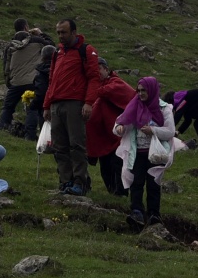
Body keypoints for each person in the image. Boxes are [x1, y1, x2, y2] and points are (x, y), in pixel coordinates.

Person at [45, 18, 100, 195]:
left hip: (75, 104)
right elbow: (51, 80)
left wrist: (88, 103)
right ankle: (65, 181)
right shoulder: (57, 53)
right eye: (58, 32)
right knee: (59, 146)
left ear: (74, 32)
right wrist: (47, 105)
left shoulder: (86, 50)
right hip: (56, 104)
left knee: (76, 145)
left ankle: (79, 182)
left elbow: (94, 78)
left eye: (64, 32)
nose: (60, 36)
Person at [113, 76, 176, 228]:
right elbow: (120, 122)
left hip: (156, 154)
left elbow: (170, 131)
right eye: (139, 90)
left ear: (152, 91)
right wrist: (119, 128)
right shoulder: (134, 106)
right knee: (137, 182)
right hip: (138, 152)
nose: (140, 94)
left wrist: (152, 130)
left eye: (144, 91)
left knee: (153, 184)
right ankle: (137, 212)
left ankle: (154, 215)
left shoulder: (164, 109)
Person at [87, 59, 135, 195]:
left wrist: (95, 90)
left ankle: (121, 192)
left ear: (106, 70)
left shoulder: (116, 82)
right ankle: (111, 191)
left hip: (117, 133)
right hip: (102, 135)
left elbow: (120, 92)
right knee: (105, 165)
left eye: (99, 70)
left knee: (117, 163)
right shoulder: (94, 86)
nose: (96, 74)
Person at [0, 19, 53, 134]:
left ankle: (0, 130)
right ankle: (31, 135)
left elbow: (6, 67)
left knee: (8, 108)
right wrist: (41, 33)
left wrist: (9, 83)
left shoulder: (10, 46)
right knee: (32, 108)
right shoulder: (37, 40)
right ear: (26, 27)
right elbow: (51, 47)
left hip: (16, 82)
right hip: (33, 81)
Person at [29, 44, 57, 140]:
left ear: (42, 57)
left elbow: (41, 92)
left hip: (45, 107)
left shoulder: (41, 72)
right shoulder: (60, 69)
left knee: (46, 131)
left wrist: (33, 104)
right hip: (59, 104)